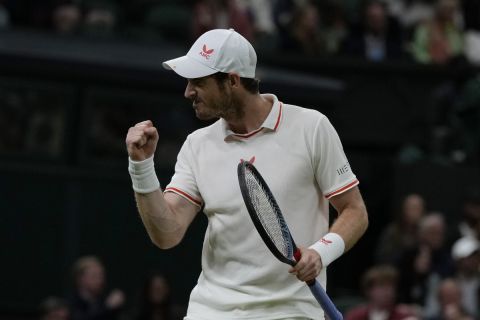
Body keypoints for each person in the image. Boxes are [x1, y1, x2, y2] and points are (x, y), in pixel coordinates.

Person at [125, 28, 369, 319]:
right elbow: (167, 234)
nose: (188, 91)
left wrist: (320, 252)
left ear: (232, 81)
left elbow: (355, 211)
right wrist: (141, 166)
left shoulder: (311, 127)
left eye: (198, 81)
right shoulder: (197, 145)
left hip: (290, 312)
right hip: (211, 310)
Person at [345, 265, 418, 320]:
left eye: (391, 286)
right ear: (369, 290)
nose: (388, 291)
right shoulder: (355, 316)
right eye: (382, 286)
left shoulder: (405, 316)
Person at [375, 193, 427, 264]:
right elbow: (383, 257)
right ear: (404, 210)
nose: (414, 212)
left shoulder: (429, 231)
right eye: (411, 208)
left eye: (417, 208)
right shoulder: (393, 231)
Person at [69, 256, 125, 320]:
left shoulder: (103, 300)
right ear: (80, 279)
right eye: (94, 276)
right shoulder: (70, 304)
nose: (100, 280)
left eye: (101, 276)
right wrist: (108, 308)